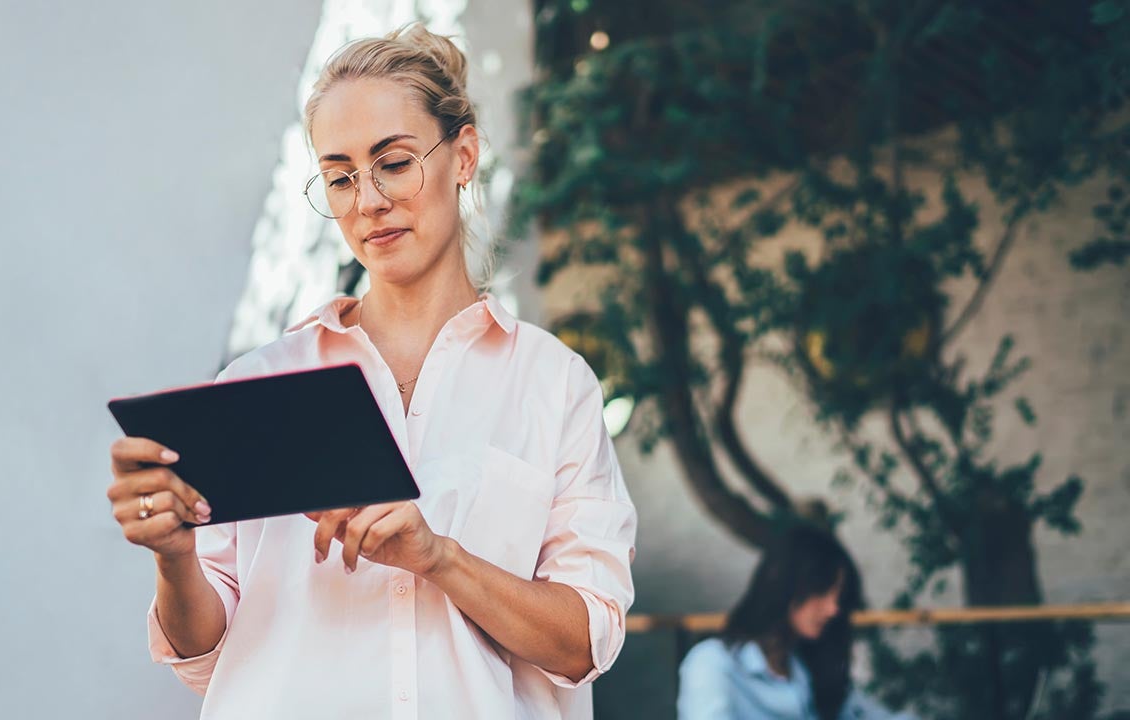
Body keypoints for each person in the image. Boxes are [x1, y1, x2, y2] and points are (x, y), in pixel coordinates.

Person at [105, 23, 637, 720]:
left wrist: (439, 557)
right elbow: (203, 655)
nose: (368, 202)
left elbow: (585, 642)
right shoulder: (257, 384)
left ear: (464, 156)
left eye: (393, 162)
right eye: (340, 177)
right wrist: (174, 555)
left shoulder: (554, 384)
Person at [677, 525, 914, 720]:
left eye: (839, 596)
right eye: (821, 590)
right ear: (784, 585)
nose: (833, 608)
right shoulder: (713, 663)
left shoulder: (810, 666)